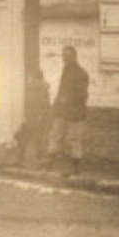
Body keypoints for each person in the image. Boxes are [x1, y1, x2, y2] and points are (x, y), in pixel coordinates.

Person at [47, 45, 90, 174]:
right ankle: (50, 164)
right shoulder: (65, 71)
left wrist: (68, 100)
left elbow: (82, 95)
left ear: (74, 57)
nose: (65, 59)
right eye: (64, 56)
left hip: (75, 113)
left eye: (68, 56)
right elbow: (61, 91)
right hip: (62, 112)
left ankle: (75, 168)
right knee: (55, 136)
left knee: (75, 139)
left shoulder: (81, 73)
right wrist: (56, 106)